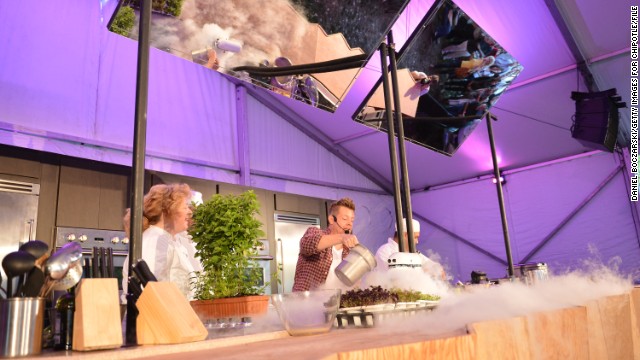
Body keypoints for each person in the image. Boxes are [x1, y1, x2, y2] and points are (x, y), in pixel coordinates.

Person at [121, 183, 200, 300]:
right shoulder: (155, 240)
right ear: (166, 210)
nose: (190, 212)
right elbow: (148, 291)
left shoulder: (171, 239)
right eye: (185, 207)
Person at [292, 197, 360, 291]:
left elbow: (354, 283)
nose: (350, 224)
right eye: (345, 219)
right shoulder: (314, 232)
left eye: (352, 220)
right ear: (332, 219)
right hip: (306, 303)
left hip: (335, 303)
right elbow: (307, 245)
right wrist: (341, 238)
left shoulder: (349, 251)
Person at [375, 218, 445, 280]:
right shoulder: (385, 252)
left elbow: (428, 263)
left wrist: (436, 268)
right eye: (415, 237)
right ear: (405, 235)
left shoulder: (411, 252)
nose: (417, 241)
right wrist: (423, 272)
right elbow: (398, 279)